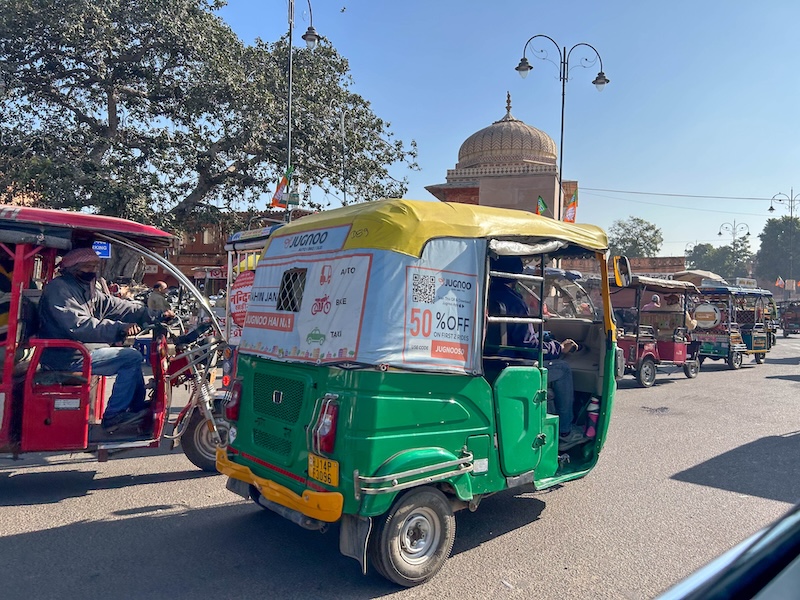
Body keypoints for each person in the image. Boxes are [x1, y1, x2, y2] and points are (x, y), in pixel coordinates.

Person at [38, 247, 174, 432]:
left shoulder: (85, 288)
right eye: (87, 266)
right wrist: (119, 328)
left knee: (131, 356)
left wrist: (152, 314)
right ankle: (114, 415)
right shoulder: (60, 289)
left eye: (95, 266)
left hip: (81, 350)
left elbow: (118, 306)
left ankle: (133, 408)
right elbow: (80, 325)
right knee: (130, 358)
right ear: (72, 267)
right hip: (66, 356)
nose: (92, 270)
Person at [488, 255, 587, 451]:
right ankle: (566, 432)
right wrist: (559, 348)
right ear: (515, 276)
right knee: (563, 368)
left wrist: (546, 336)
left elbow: (521, 334)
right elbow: (529, 346)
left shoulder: (486, 293)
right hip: (514, 362)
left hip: (491, 361)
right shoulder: (512, 300)